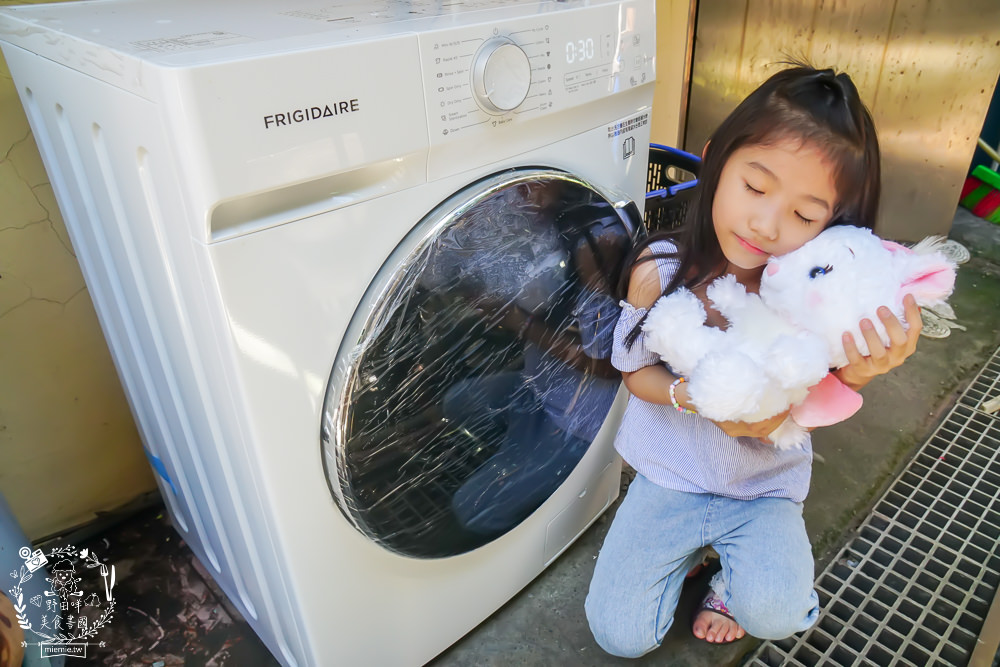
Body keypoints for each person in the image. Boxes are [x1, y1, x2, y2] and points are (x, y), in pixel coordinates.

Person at [584, 63, 923, 657]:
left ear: (836, 225)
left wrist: (858, 371)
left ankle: (726, 579)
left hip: (765, 488)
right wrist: (695, 397)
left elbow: (820, 386)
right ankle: (691, 552)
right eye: (756, 187)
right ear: (715, 161)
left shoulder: (815, 295)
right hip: (670, 478)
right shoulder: (659, 271)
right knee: (621, 636)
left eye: (804, 216)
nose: (766, 225)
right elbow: (635, 372)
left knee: (778, 612)